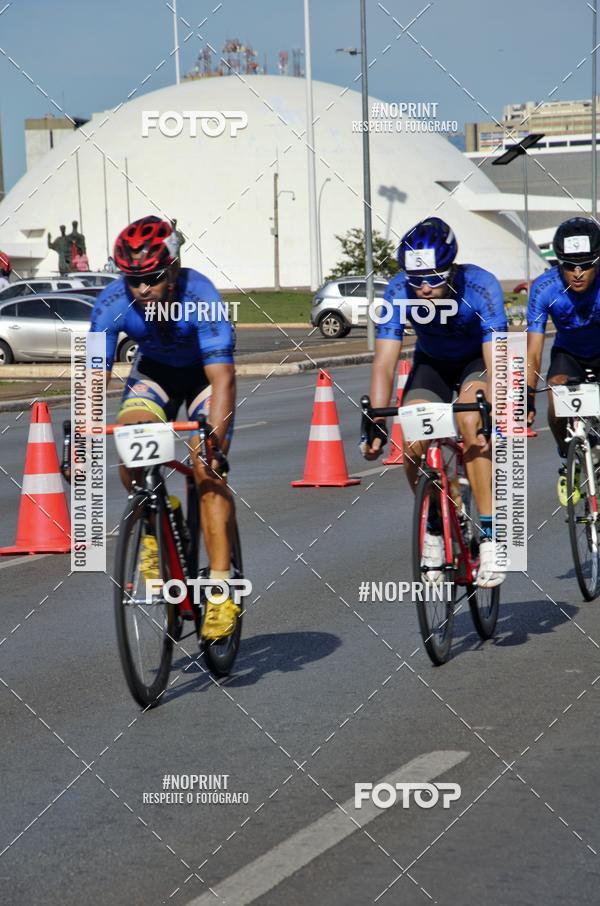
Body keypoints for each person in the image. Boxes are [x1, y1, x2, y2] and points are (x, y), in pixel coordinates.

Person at [89, 216, 239, 641]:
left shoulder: (202, 296)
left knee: (207, 468)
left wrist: (215, 441)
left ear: (173, 268)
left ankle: (222, 588)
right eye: (132, 279)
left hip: (204, 377)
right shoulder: (110, 303)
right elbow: (92, 380)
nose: (141, 289)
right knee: (130, 446)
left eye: (151, 278)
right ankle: (158, 515)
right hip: (153, 374)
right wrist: (80, 443)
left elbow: (223, 380)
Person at [364, 217, 507, 588]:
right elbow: (384, 363)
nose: (424, 289)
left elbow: (497, 362)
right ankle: (436, 521)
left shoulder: (480, 286)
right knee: (411, 436)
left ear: (451, 269)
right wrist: (376, 420)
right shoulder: (398, 290)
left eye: (433, 279)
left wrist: (497, 407)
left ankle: (491, 538)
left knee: (471, 423)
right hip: (433, 365)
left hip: (477, 361)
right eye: (416, 281)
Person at [527, 216, 600, 505]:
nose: (578, 273)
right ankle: (568, 456)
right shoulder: (544, 288)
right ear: (559, 264)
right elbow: (533, 350)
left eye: (586, 264)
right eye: (570, 266)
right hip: (568, 355)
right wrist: (528, 397)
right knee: (556, 398)